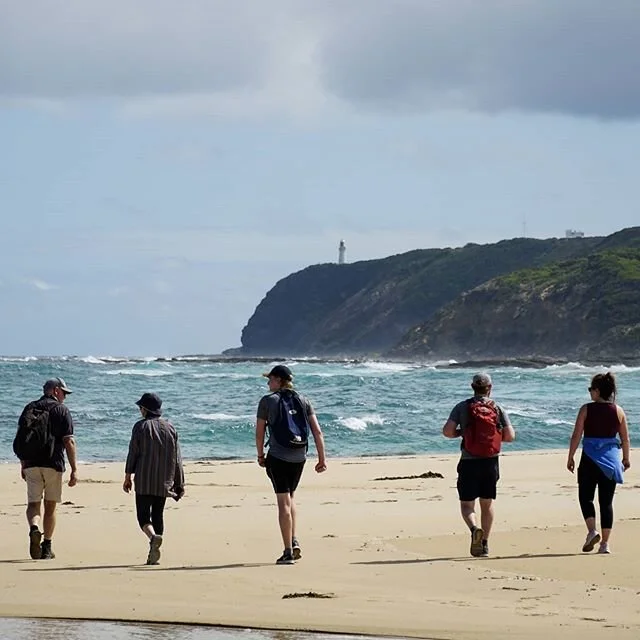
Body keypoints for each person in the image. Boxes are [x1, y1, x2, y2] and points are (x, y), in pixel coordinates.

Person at [255, 364, 327, 565]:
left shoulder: (267, 401)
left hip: (278, 457)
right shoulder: (303, 400)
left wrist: (260, 455)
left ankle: (287, 552)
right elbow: (317, 431)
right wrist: (322, 459)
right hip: (299, 457)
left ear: (279, 380)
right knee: (291, 497)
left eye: (270, 379)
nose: (268, 383)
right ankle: (293, 538)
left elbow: (259, 433)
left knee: (283, 502)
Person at [442, 372, 515, 557]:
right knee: (487, 503)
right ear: (490, 388)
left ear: (472, 387)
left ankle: (474, 529)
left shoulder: (462, 407)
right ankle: (484, 544)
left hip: (469, 461)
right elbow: (510, 436)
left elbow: (447, 432)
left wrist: (463, 433)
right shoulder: (497, 408)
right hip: (491, 462)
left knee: (467, 505)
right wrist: (493, 437)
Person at [567, 372, 631, 554]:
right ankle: (605, 544)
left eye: (591, 389)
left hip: (589, 459)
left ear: (597, 391)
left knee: (585, 497)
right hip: (611, 461)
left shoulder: (586, 409)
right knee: (606, 502)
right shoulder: (618, 411)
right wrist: (626, 458)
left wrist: (570, 456)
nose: (589, 392)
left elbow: (576, 435)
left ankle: (591, 531)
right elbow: (625, 439)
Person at [15, 377, 78, 560]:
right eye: (64, 393)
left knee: (33, 504)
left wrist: (23, 463)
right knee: (50, 507)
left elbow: (22, 438)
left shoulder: (30, 408)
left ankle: (34, 528)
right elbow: (69, 441)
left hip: (31, 464)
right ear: (56, 391)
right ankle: (47, 547)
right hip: (53, 464)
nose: (65, 397)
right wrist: (74, 469)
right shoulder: (61, 410)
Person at [123, 392, 185, 565]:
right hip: (164, 480)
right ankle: (155, 550)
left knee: (143, 517)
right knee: (158, 514)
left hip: (144, 480)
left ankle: (152, 538)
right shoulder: (170, 428)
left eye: (140, 408)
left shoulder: (140, 427)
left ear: (145, 409)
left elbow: (133, 453)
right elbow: (177, 458)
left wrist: (127, 476)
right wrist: (180, 482)